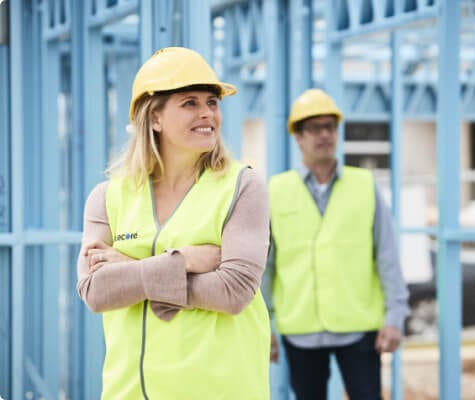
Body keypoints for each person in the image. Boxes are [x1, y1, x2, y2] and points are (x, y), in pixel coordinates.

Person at [77, 47, 270, 400]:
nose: (207, 113)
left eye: (212, 102)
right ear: (155, 118)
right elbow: (95, 291)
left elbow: (234, 292)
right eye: (189, 103)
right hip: (130, 392)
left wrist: (133, 270)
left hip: (219, 390)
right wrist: (185, 261)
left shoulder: (243, 186)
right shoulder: (107, 197)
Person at [263, 88, 410, 400]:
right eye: (315, 128)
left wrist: (395, 317)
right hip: (299, 329)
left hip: (358, 328)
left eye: (330, 126)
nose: (325, 134)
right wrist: (264, 328)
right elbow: (265, 267)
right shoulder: (275, 190)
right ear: (298, 137)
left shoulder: (364, 185)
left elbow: (387, 255)